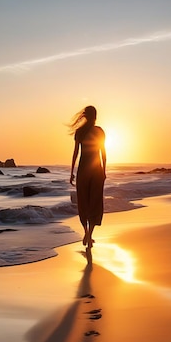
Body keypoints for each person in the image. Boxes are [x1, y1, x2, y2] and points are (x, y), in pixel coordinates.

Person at [69, 105, 106, 249]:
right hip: (96, 169)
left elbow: (75, 154)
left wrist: (71, 172)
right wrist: (104, 170)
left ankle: (86, 233)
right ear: (95, 116)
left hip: (83, 170)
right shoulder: (99, 132)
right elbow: (103, 152)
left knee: (83, 203)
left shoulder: (80, 132)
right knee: (95, 203)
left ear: (85, 116)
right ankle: (89, 235)